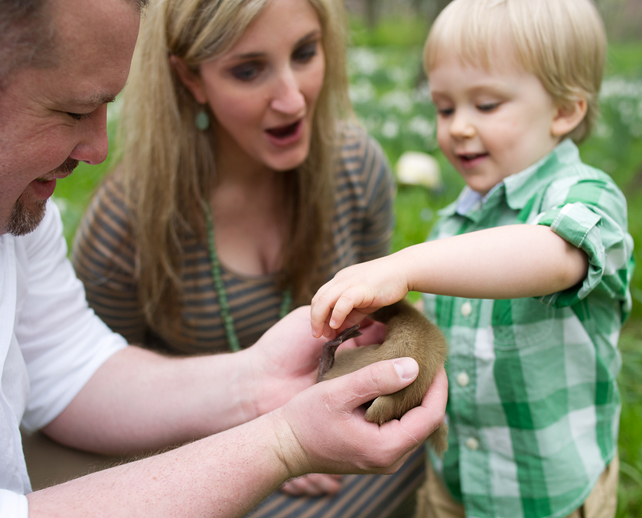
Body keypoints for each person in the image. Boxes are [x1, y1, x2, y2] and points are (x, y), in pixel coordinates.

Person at [0, 0, 451, 515]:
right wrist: (281, 443)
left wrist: (256, 381)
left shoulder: (20, 211)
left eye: (306, 52)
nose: (99, 147)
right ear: (190, 78)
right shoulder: (128, 219)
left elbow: (67, 364)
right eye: (73, 111)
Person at [309, 0, 634, 517]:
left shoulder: (587, 198)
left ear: (564, 111)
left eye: (485, 106)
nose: (458, 126)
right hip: (455, 483)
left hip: (546, 496)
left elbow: (554, 255)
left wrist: (404, 266)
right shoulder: (454, 224)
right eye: (444, 108)